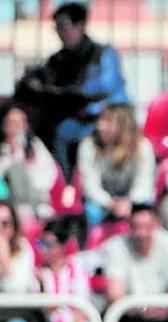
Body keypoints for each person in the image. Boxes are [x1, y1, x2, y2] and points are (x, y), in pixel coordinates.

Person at [14, 1, 129, 178]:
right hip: (76, 121)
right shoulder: (60, 58)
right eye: (57, 27)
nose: (60, 32)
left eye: (64, 25)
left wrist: (62, 92)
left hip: (105, 116)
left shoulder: (102, 54)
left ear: (80, 25)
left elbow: (102, 88)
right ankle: (63, 186)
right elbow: (37, 78)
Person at [76, 102, 156, 229]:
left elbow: (144, 182)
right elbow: (90, 185)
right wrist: (110, 203)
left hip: (133, 199)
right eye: (100, 121)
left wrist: (129, 203)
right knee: (92, 210)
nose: (99, 126)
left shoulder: (143, 146)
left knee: (145, 205)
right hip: (103, 201)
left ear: (122, 125)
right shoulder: (89, 146)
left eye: (107, 122)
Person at [0, 103, 59, 226]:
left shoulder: (35, 145)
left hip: (36, 195)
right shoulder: (3, 149)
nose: (15, 128)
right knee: (16, 169)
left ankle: (36, 208)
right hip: (9, 199)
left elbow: (49, 172)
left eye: (19, 123)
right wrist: (12, 156)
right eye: (11, 123)